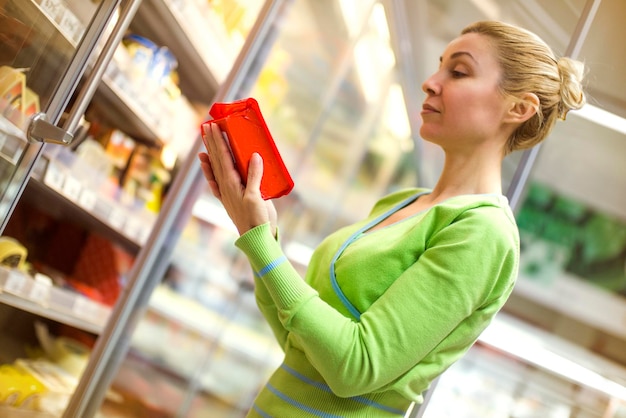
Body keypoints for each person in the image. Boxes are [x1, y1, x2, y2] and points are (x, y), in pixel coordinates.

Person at [198, 20, 586, 418]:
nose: (431, 82)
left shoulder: (483, 233)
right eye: (439, 67)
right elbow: (299, 343)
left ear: (518, 108)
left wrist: (262, 245)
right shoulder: (404, 202)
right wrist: (260, 232)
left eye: (458, 71)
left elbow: (355, 368)